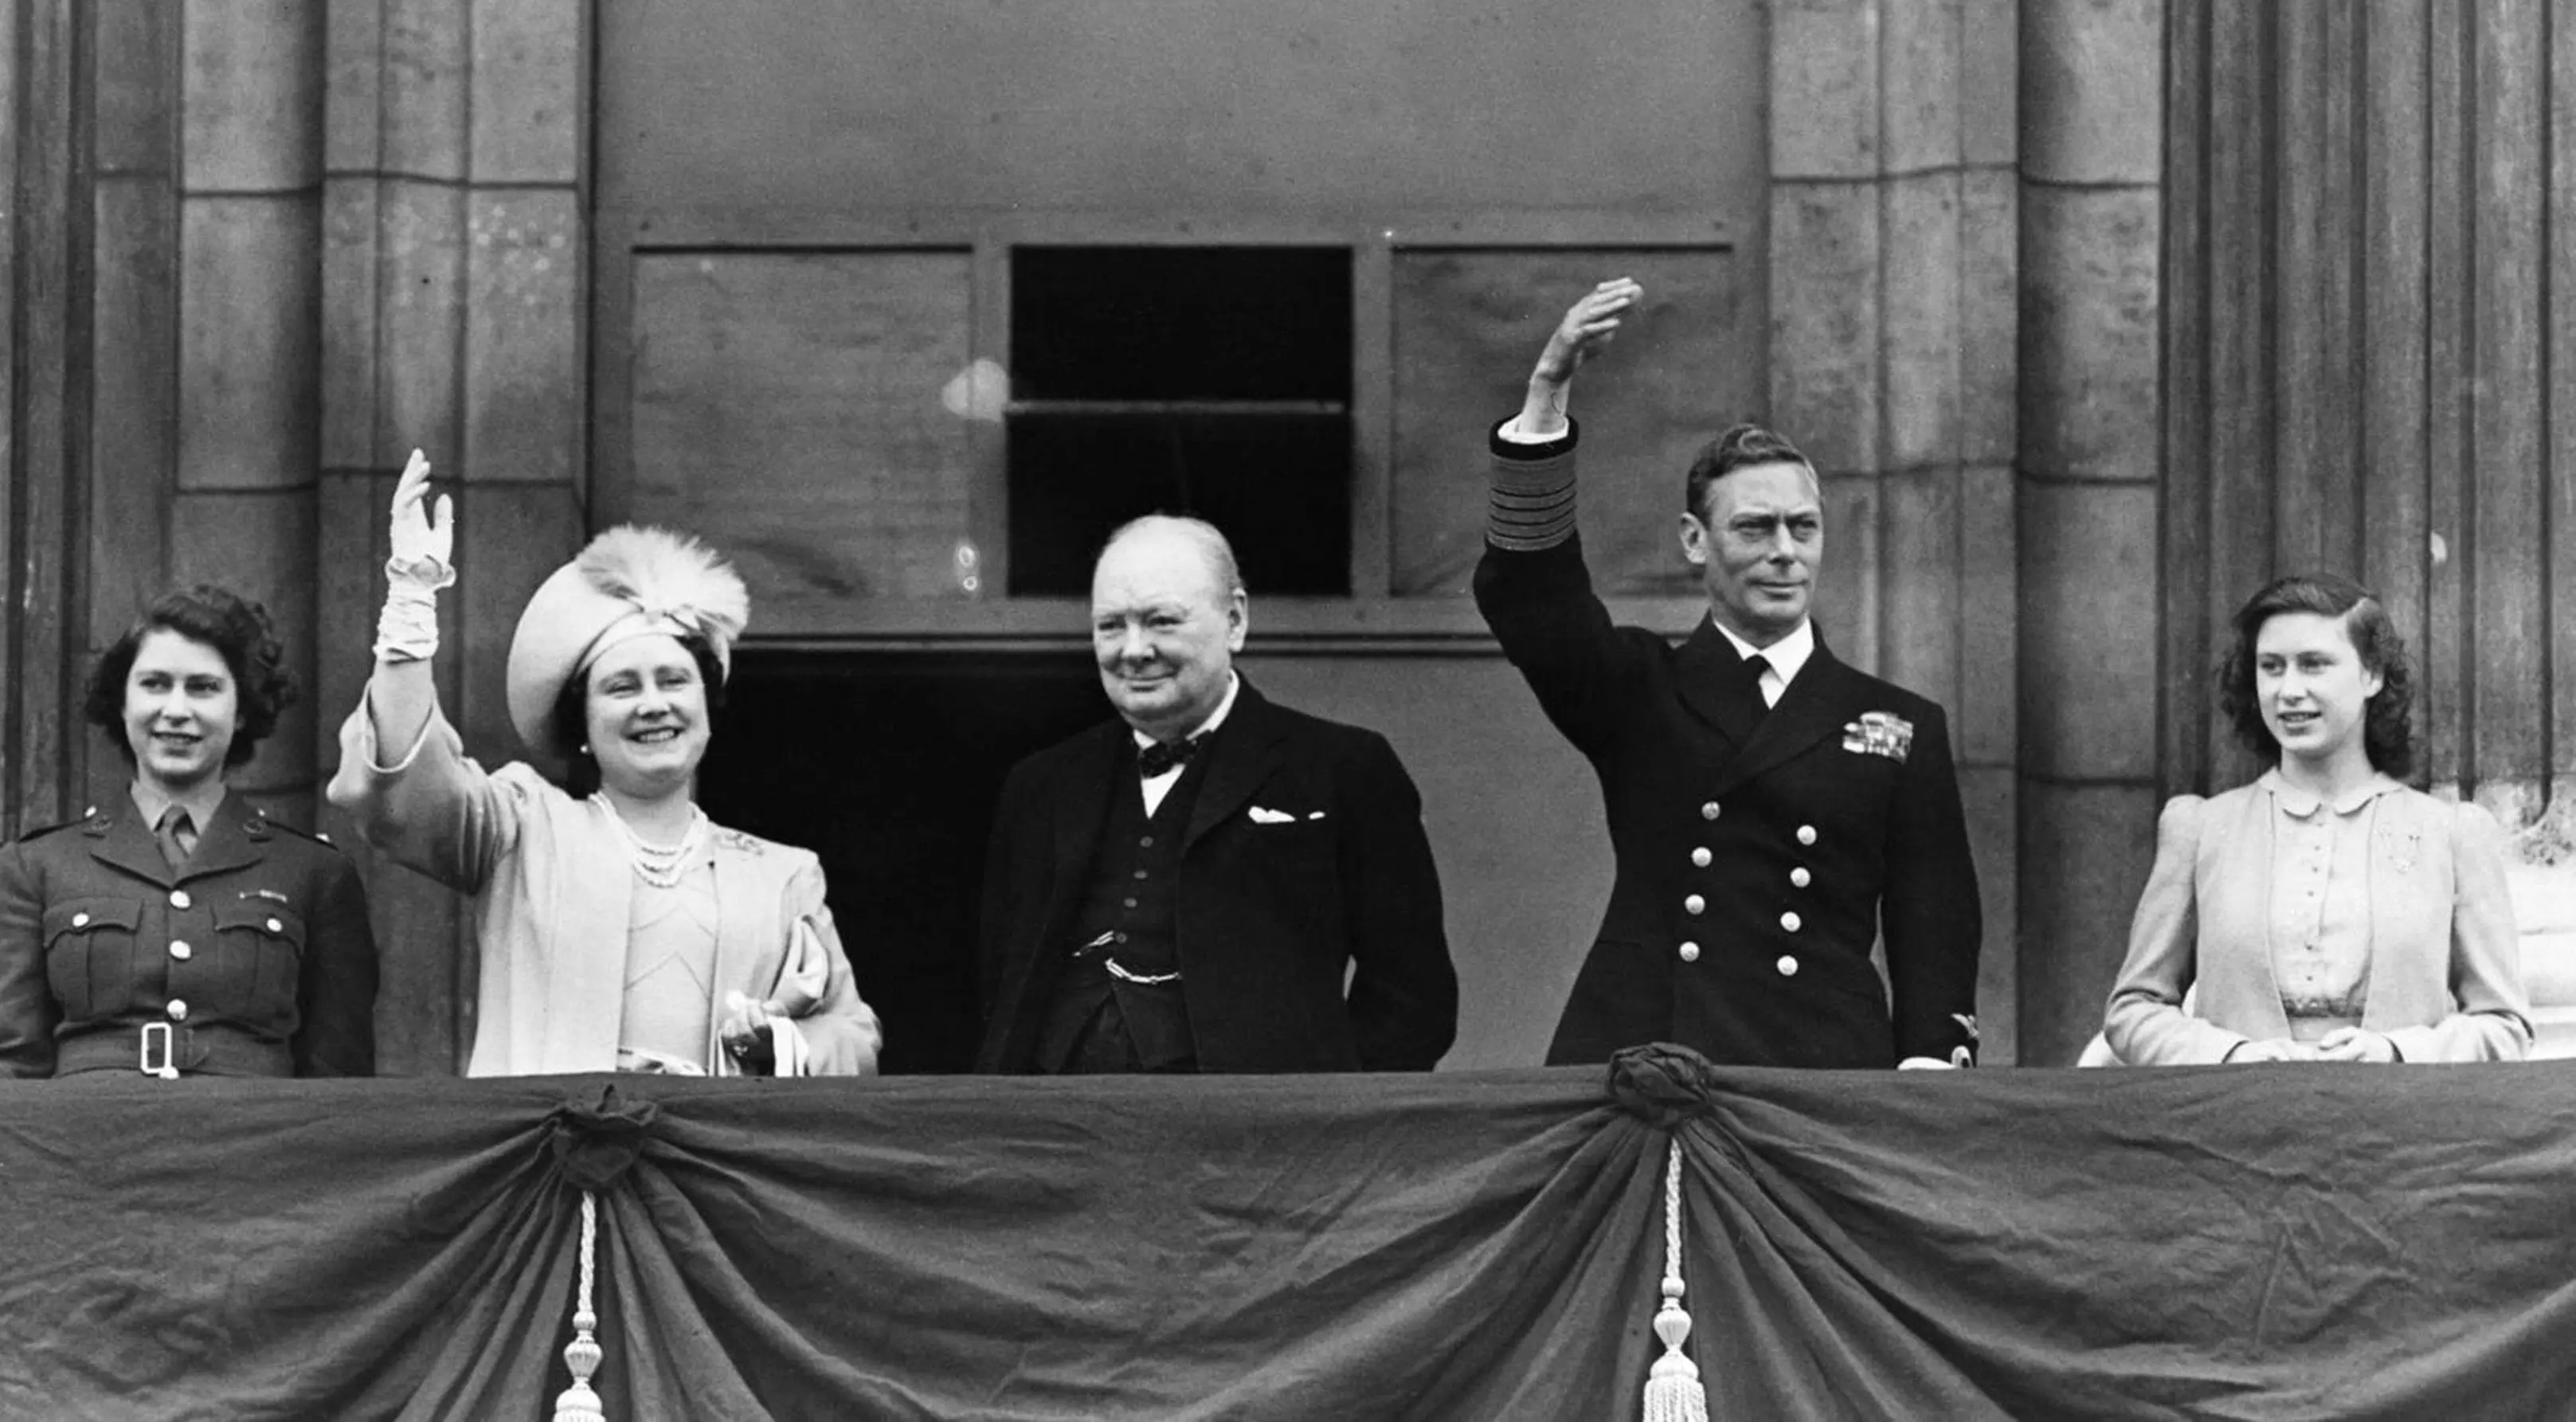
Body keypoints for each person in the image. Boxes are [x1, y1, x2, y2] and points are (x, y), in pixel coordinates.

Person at [1474, 279, 1983, 1069]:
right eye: (1754, 527)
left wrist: (1925, 1065)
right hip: (1652, 1055)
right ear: (1693, 540)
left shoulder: (1898, 722)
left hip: (1822, 1068)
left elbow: (1935, 917)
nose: (1784, 550)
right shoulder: (1640, 689)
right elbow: (1532, 600)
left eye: (1802, 527)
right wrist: (1546, 395)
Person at [328, 451, 881, 1077]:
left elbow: (854, 1037)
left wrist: (780, 1046)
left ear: (707, 705)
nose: (653, 705)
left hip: (708, 1168)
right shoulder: (523, 828)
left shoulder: (784, 877)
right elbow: (399, 788)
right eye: (622, 688)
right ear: (583, 726)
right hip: (548, 1163)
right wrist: (410, 599)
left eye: (673, 681)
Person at [974, 515, 1458, 1074]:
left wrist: (1326, 1126)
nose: (1133, 650)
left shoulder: (1343, 769)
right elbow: (1001, 979)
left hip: (1254, 1142)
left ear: (1234, 621)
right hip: (1057, 1129)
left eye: (1161, 621)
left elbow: (1412, 998)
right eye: (1111, 626)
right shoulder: (1041, 784)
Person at [2103, 574, 2531, 1064]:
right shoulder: (2200, 829)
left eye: (2314, 665)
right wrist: (2230, 1055)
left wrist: (2396, 1052)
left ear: (2372, 675)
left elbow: (2505, 1025)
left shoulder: (2453, 834)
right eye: (2271, 667)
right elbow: (2133, 1010)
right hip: (2235, 1129)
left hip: (2401, 1130)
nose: (2289, 690)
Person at [0, 587, 378, 1079]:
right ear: (122, 704)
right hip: (86, 1148)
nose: (176, 709)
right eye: (154, 684)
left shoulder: (315, 874)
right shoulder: (40, 867)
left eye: (203, 688)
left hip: (252, 1148)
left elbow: (339, 1081)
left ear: (241, 710)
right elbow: (4, 1068)